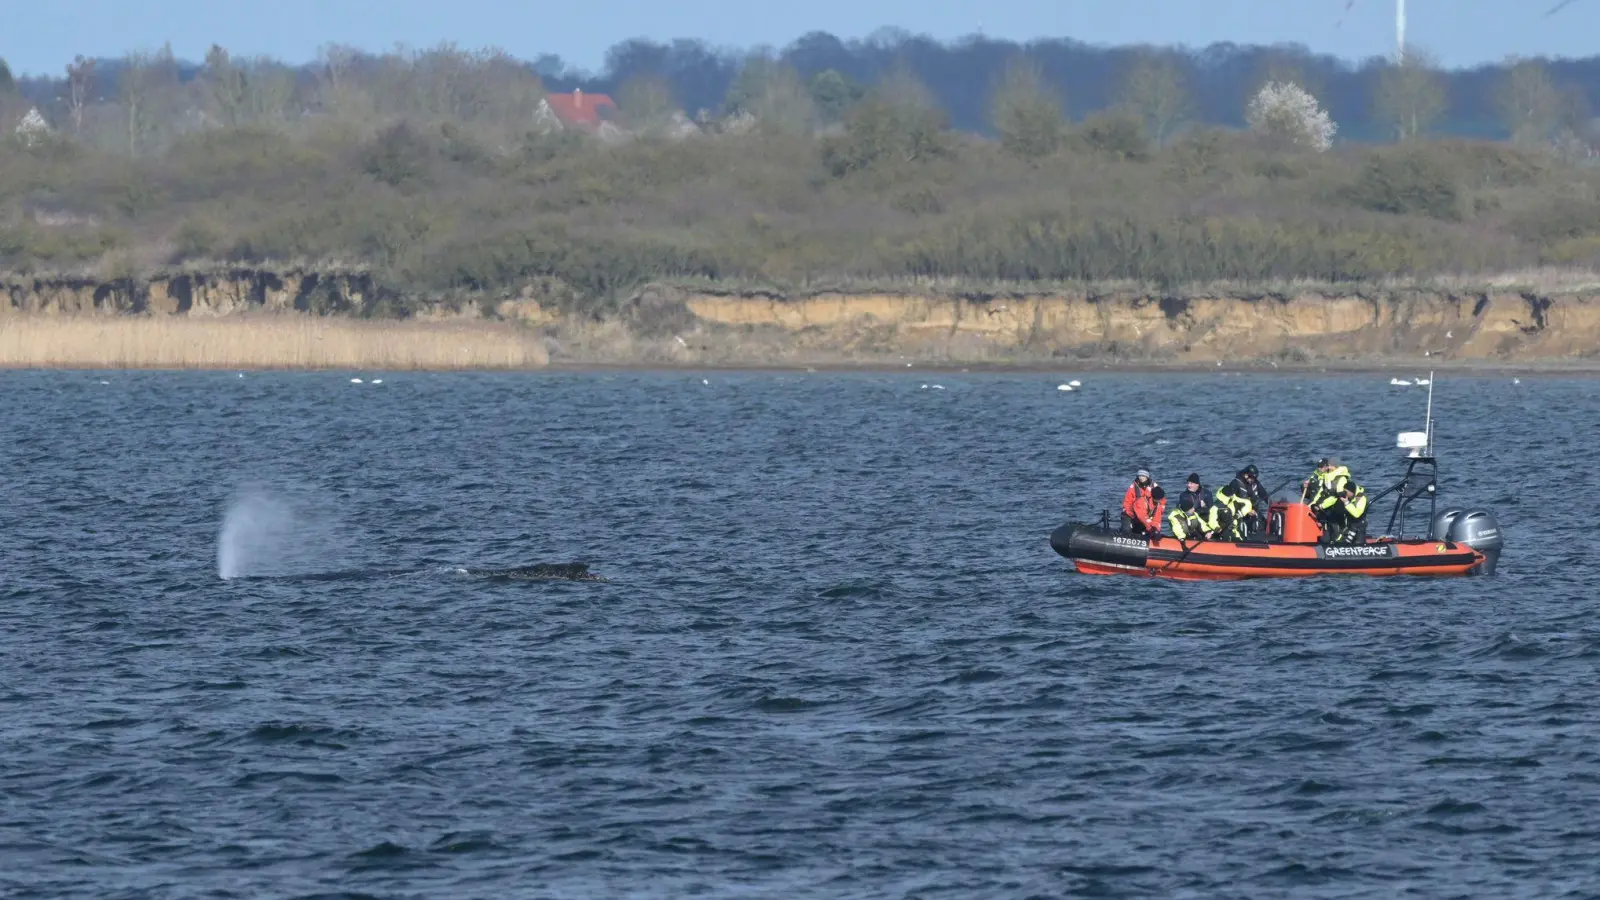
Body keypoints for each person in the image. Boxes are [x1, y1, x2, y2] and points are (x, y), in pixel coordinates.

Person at [1224, 464, 1271, 537]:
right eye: (1252, 478)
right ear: (1246, 475)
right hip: (1240, 513)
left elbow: (1264, 495)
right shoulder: (1236, 483)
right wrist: (1247, 510)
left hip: (1254, 511)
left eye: (1255, 478)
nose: (1253, 480)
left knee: (1264, 523)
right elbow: (1230, 500)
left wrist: (1271, 503)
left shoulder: (1256, 483)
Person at [1121, 469, 1166, 536]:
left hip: (1146, 512)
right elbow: (1128, 501)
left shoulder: (1154, 487)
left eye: (1143, 476)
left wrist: (1155, 529)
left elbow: (1161, 499)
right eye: (1139, 476)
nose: (1141, 478)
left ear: (1147, 477)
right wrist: (1129, 512)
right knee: (1127, 531)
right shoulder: (1133, 487)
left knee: (1151, 527)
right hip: (1133, 512)